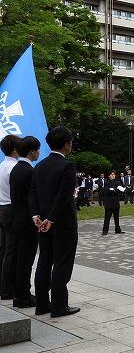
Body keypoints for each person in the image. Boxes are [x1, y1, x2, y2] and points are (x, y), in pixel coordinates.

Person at [28, 126, 80, 317]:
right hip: (62, 223)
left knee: (44, 260)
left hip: (42, 223)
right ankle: (59, 306)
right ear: (67, 144)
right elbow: (64, 196)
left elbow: (32, 193)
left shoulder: (39, 165)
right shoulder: (67, 166)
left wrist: (37, 216)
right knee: (62, 263)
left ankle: (42, 304)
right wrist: (52, 218)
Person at [10, 137, 40, 308]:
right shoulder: (29, 171)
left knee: (19, 258)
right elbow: (32, 198)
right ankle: (23, 296)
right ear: (32, 151)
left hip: (18, 219)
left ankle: (20, 293)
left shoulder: (16, 169)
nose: (38, 153)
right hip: (28, 221)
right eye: (37, 149)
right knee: (25, 260)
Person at [0, 134, 21, 300]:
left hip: (1, 208)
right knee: (12, 250)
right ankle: (8, 288)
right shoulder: (15, 168)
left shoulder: (1, 166)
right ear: (15, 149)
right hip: (11, 209)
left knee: (4, 249)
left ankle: (4, 285)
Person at [102, 171, 124, 235]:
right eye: (112, 174)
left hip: (116, 203)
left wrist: (113, 190)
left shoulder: (118, 182)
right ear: (109, 176)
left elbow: (120, 190)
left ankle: (117, 229)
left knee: (116, 218)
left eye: (114, 174)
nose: (113, 175)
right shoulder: (106, 182)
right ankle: (105, 230)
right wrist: (114, 190)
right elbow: (106, 191)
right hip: (108, 203)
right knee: (107, 218)